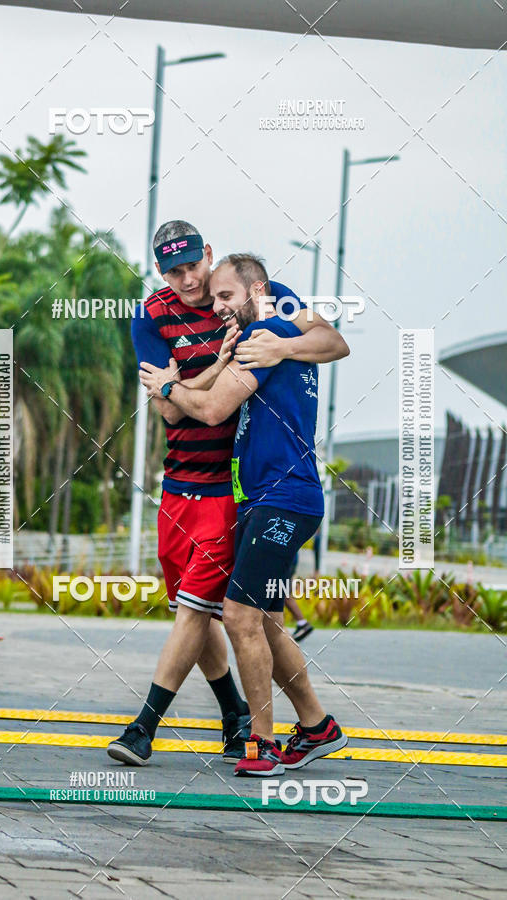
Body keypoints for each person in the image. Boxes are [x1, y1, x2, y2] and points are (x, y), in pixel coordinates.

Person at [108, 222, 341, 767]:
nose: (195, 285)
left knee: (228, 614)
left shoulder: (259, 314)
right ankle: (300, 721)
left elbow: (333, 340)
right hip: (195, 485)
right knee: (243, 616)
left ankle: (151, 728)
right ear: (161, 273)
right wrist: (184, 386)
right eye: (175, 272)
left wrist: (276, 346)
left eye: (198, 268)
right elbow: (168, 410)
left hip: (249, 492)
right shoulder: (157, 314)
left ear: (209, 256)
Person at [285, 551, 314, 642]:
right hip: (290, 558)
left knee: (283, 593)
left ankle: (302, 623)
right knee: (283, 593)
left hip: (286, 558)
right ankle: (302, 623)